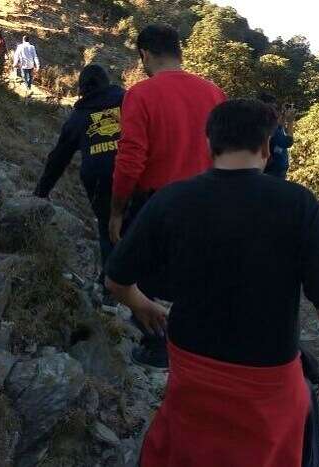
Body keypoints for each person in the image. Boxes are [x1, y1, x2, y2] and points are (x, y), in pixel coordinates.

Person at [106, 99, 319, 467]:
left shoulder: (172, 199)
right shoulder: (298, 205)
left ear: (208, 145)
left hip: (193, 381)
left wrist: (142, 304)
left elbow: (116, 279)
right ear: (268, 147)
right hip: (268, 392)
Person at [108, 24, 226, 369]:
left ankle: (160, 349)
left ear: (144, 54)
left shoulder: (140, 94)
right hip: (210, 198)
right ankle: (200, 345)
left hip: (161, 202)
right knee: (199, 274)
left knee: (151, 280)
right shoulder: (213, 92)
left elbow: (130, 159)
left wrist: (118, 210)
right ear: (179, 50)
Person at [34, 64, 124, 304]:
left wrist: (40, 193)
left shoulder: (80, 116)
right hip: (135, 176)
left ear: (82, 90)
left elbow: (59, 158)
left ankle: (110, 289)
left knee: (107, 229)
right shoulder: (129, 103)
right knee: (136, 225)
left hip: (99, 181)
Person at [258, 92, 295, 179]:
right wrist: (290, 121)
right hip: (275, 172)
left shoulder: (260, 123)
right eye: (274, 108)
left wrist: (283, 115)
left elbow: (279, 126)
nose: (275, 111)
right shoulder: (268, 127)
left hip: (268, 170)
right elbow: (288, 142)